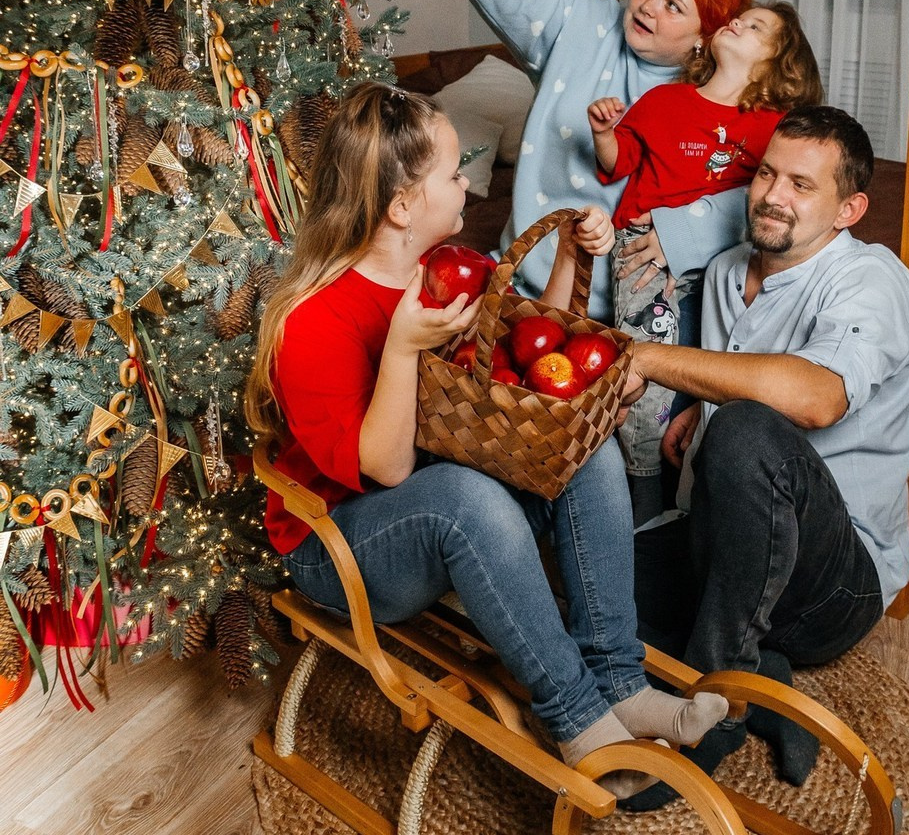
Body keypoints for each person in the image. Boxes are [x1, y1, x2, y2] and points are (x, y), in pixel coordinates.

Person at [244, 82, 729, 797]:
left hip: (447, 513)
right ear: (403, 205)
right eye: (452, 172)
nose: (469, 181)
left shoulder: (452, 270)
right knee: (465, 497)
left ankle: (620, 680)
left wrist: (569, 256)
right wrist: (404, 349)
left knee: (578, 447)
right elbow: (385, 467)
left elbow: (521, 376)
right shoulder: (316, 321)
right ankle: (578, 721)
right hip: (340, 546)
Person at [619, 105, 909, 808]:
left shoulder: (871, 283)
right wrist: (701, 403)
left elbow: (816, 399)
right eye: (766, 173)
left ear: (849, 209)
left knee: (747, 433)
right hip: (724, 545)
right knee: (586, 575)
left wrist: (660, 364)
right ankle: (764, 675)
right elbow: (738, 371)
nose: (772, 196)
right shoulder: (730, 270)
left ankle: (717, 709)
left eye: (801, 184)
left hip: (832, 581)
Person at [354, 0, 752, 324]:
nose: (648, 5)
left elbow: (756, 197)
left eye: (674, 5)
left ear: (706, 37)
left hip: (629, 317)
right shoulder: (586, 23)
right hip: (522, 283)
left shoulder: (720, 100)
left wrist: (679, 236)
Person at [587, 2, 824, 524]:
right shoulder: (664, 100)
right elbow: (618, 162)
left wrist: (690, 231)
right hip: (645, 259)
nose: (738, 21)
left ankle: (700, 502)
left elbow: (768, 209)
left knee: (714, 375)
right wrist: (605, 131)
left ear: (776, 63)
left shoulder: (772, 129)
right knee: (646, 387)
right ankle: (643, 504)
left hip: (726, 262)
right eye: (740, 17)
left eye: (756, 26)